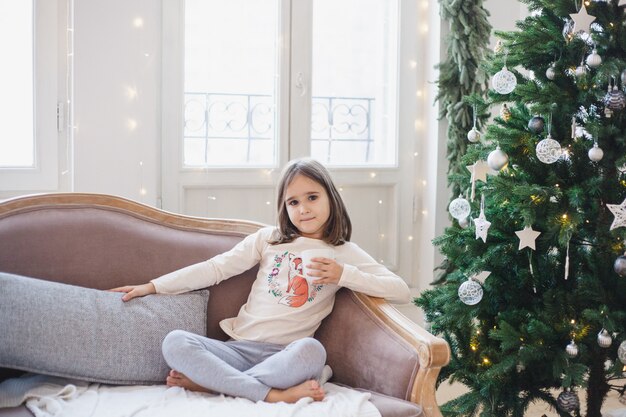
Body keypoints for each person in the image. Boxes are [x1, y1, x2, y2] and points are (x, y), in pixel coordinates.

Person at [110, 158, 411, 404]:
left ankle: (216, 385)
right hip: (237, 349)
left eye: (312, 197)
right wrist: (153, 286)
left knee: (313, 351)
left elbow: (400, 290)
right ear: (284, 207)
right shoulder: (269, 239)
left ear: (330, 198)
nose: (303, 208)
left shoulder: (343, 252)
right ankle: (272, 395)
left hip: (284, 357)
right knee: (175, 342)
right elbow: (215, 268)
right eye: (293, 202)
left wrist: (343, 274)